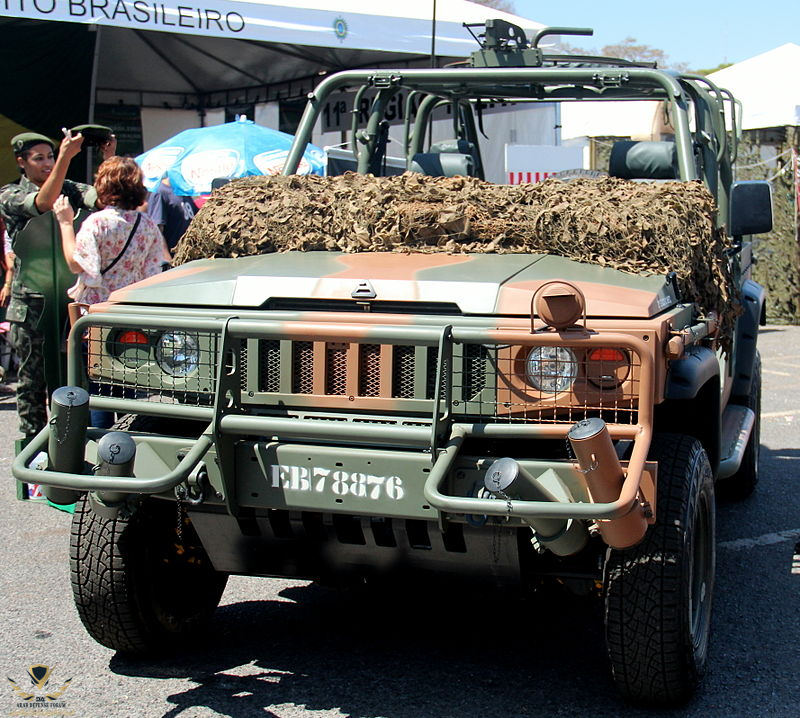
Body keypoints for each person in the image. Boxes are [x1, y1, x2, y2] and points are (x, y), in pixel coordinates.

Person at [0, 129, 116, 442]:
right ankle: (33, 449)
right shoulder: (10, 194)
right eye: (39, 158)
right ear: (21, 162)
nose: (48, 163)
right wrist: (66, 156)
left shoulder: (70, 188)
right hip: (32, 304)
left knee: (74, 380)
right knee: (31, 383)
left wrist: (108, 159)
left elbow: (106, 198)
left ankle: (69, 446)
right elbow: (43, 202)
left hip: (68, 301)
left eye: (51, 156)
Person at [54, 156, 169, 427]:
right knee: (128, 382)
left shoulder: (96, 223)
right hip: (131, 314)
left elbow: (78, 264)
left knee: (99, 386)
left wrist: (65, 223)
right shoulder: (147, 225)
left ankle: (102, 441)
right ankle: (128, 435)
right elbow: (153, 272)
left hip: (97, 314)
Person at [146, 176, 196, 254]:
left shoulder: (183, 191)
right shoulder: (160, 192)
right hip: (173, 256)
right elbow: (157, 230)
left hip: (188, 254)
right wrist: (167, 257)